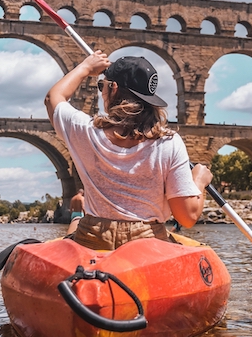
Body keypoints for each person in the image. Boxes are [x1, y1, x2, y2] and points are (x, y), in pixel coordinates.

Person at [45, 52, 212, 252]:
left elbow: (53, 97)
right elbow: (187, 217)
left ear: (113, 88)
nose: (101, 92)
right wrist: (199, 181)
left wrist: (86, 67)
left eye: (102, 86)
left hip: (93, 237)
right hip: (148, 243)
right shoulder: (169, 142)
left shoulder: (84, 131)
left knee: (75, 227)